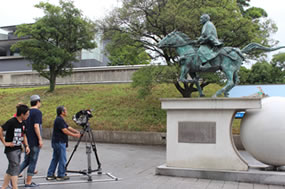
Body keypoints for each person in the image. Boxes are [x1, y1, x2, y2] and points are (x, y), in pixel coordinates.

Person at [46, 106, 80, 181]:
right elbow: (65, 130)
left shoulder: (60, 119)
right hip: (59, 142)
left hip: (56, 142)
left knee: (55, 158)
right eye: (65, 110)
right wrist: (75, 135)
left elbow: (68, 127)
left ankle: (50, 174)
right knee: (62, 158)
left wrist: (77, 131)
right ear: (62, 112)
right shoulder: (59, 120)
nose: (66, 111)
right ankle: (61, 175)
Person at [0, 104, 30, 189]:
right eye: (27, 114)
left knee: (11, 168)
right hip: (11, 149)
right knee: (15, 167)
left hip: (18, 148)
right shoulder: (12, 122)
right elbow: (1, 129)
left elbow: (24, 136)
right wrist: (5, 142)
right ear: (22, 114)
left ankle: (4, 186)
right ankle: (15, 187)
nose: (28, 116)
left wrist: (26, 146)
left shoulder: (24, 123)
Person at [18, 95, 43, 187]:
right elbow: (36, 126)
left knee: (26, 161)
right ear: (37, 102)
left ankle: (12, 176)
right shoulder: (37, 112)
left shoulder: (27, 112)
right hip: (34, 141)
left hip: (27, 140)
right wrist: (40, 139)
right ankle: (28, 182)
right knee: (33, 161)